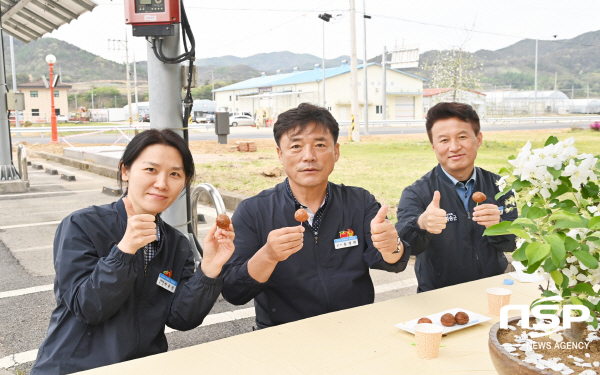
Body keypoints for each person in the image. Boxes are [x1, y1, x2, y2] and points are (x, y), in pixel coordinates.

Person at [31, 129, 235, 374]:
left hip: (144, 366)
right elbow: (88, 307)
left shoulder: (175, 243)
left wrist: (210, 268)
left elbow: (181, 318)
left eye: (174, 174)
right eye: (151, 170)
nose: (162, 183)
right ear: (125, 171)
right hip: (75, 367)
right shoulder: (82, 225)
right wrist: (124, 251)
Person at [222, 103, 411, 329]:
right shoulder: (253, 211)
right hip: (283, 336)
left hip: (354, 329)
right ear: (280, 155)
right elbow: (234, 291)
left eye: (320, 144)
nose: (309, 156)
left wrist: (392, 246)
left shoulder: (359, 202)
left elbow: (393, 262)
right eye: (296, 146)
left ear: (336, 151)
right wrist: (268, 256)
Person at [395, 102, 517, 293]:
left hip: (492, 290)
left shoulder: (499, 186)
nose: (454, 147)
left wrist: (499, 226)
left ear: (479, 139)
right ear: (433, 146)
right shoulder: (416, 192)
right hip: (439, 297)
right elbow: (403, 244)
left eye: (462, 137)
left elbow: (515, 242)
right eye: (444, 140)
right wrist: (421, 224)